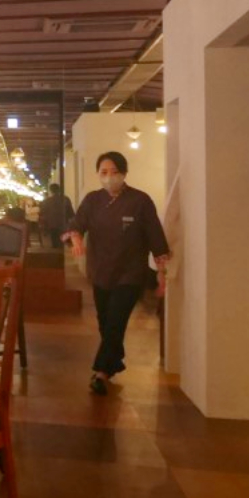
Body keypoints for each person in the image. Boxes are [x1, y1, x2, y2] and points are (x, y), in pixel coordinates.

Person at [63, 151, 171, 395]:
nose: (109, 177)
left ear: (124, 173)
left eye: (114, 172)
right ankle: (114, 361)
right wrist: (76, 238)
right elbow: (77, 223)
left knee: (115, 322)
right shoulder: (92, 200)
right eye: (104, 172)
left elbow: (155, 237)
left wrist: (161, 273)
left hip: (130, 273)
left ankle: (101, 372)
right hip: (101, 270)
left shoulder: (140, 201)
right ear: (98, 174)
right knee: (106, 322)